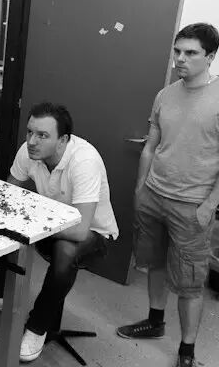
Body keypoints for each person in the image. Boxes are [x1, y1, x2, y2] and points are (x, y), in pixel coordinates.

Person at [0, 102, 118, 362]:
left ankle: (37, 327)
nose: (32, 141)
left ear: (63, 140)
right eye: (30, 132)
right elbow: (6, 195)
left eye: (43, 135)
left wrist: (29, 228)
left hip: (93, 235)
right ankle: (1, 296)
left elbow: (80, 231)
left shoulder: (84, 161)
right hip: (51, 226)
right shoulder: (29, 151)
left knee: (65, 251)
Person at [116, 23, 219, 367]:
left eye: (191, 53)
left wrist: (210, 205)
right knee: (154, 263)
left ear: (210, 57)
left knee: (190, 282)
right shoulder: (165, 95)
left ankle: (187, 350)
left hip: (192, 205)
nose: (180, 59)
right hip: (154, 195)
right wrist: (140, 188)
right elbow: (151, 145)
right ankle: (155, 321)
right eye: (177, 51)